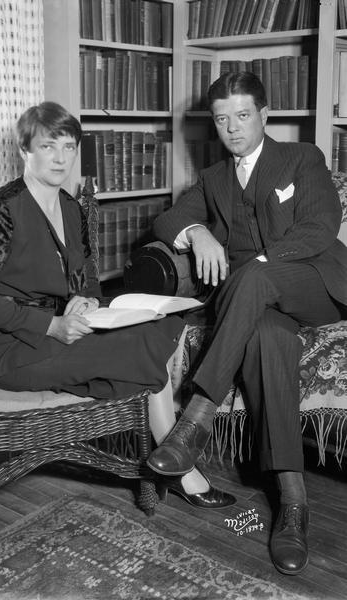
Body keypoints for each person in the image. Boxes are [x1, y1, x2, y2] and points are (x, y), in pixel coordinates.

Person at [0, 100, 235, 510]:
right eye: (48, 147)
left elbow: (85, 273)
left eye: (69, 147)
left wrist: (84, 297)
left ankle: (169, 458)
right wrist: (50, 325)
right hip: (10, 347)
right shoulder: (2, 210)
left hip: (62, 328)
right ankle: (179, 467)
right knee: (140, 348)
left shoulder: (71, 208)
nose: (60, 158)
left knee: (158, 326)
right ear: (24, 151)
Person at [146, 71, 347, 575]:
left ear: (263, 114)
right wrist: (198, 233)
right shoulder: (214, 179)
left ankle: (195, 418)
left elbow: (321, 227)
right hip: (258, 309)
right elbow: (166, 223)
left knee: (252, 278)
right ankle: (293, 501)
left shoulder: (303, 159)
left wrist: (258, 265)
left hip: (314, 285)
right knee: (267, 337)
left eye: (242, 115)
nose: (232, 128)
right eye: (221, 119)